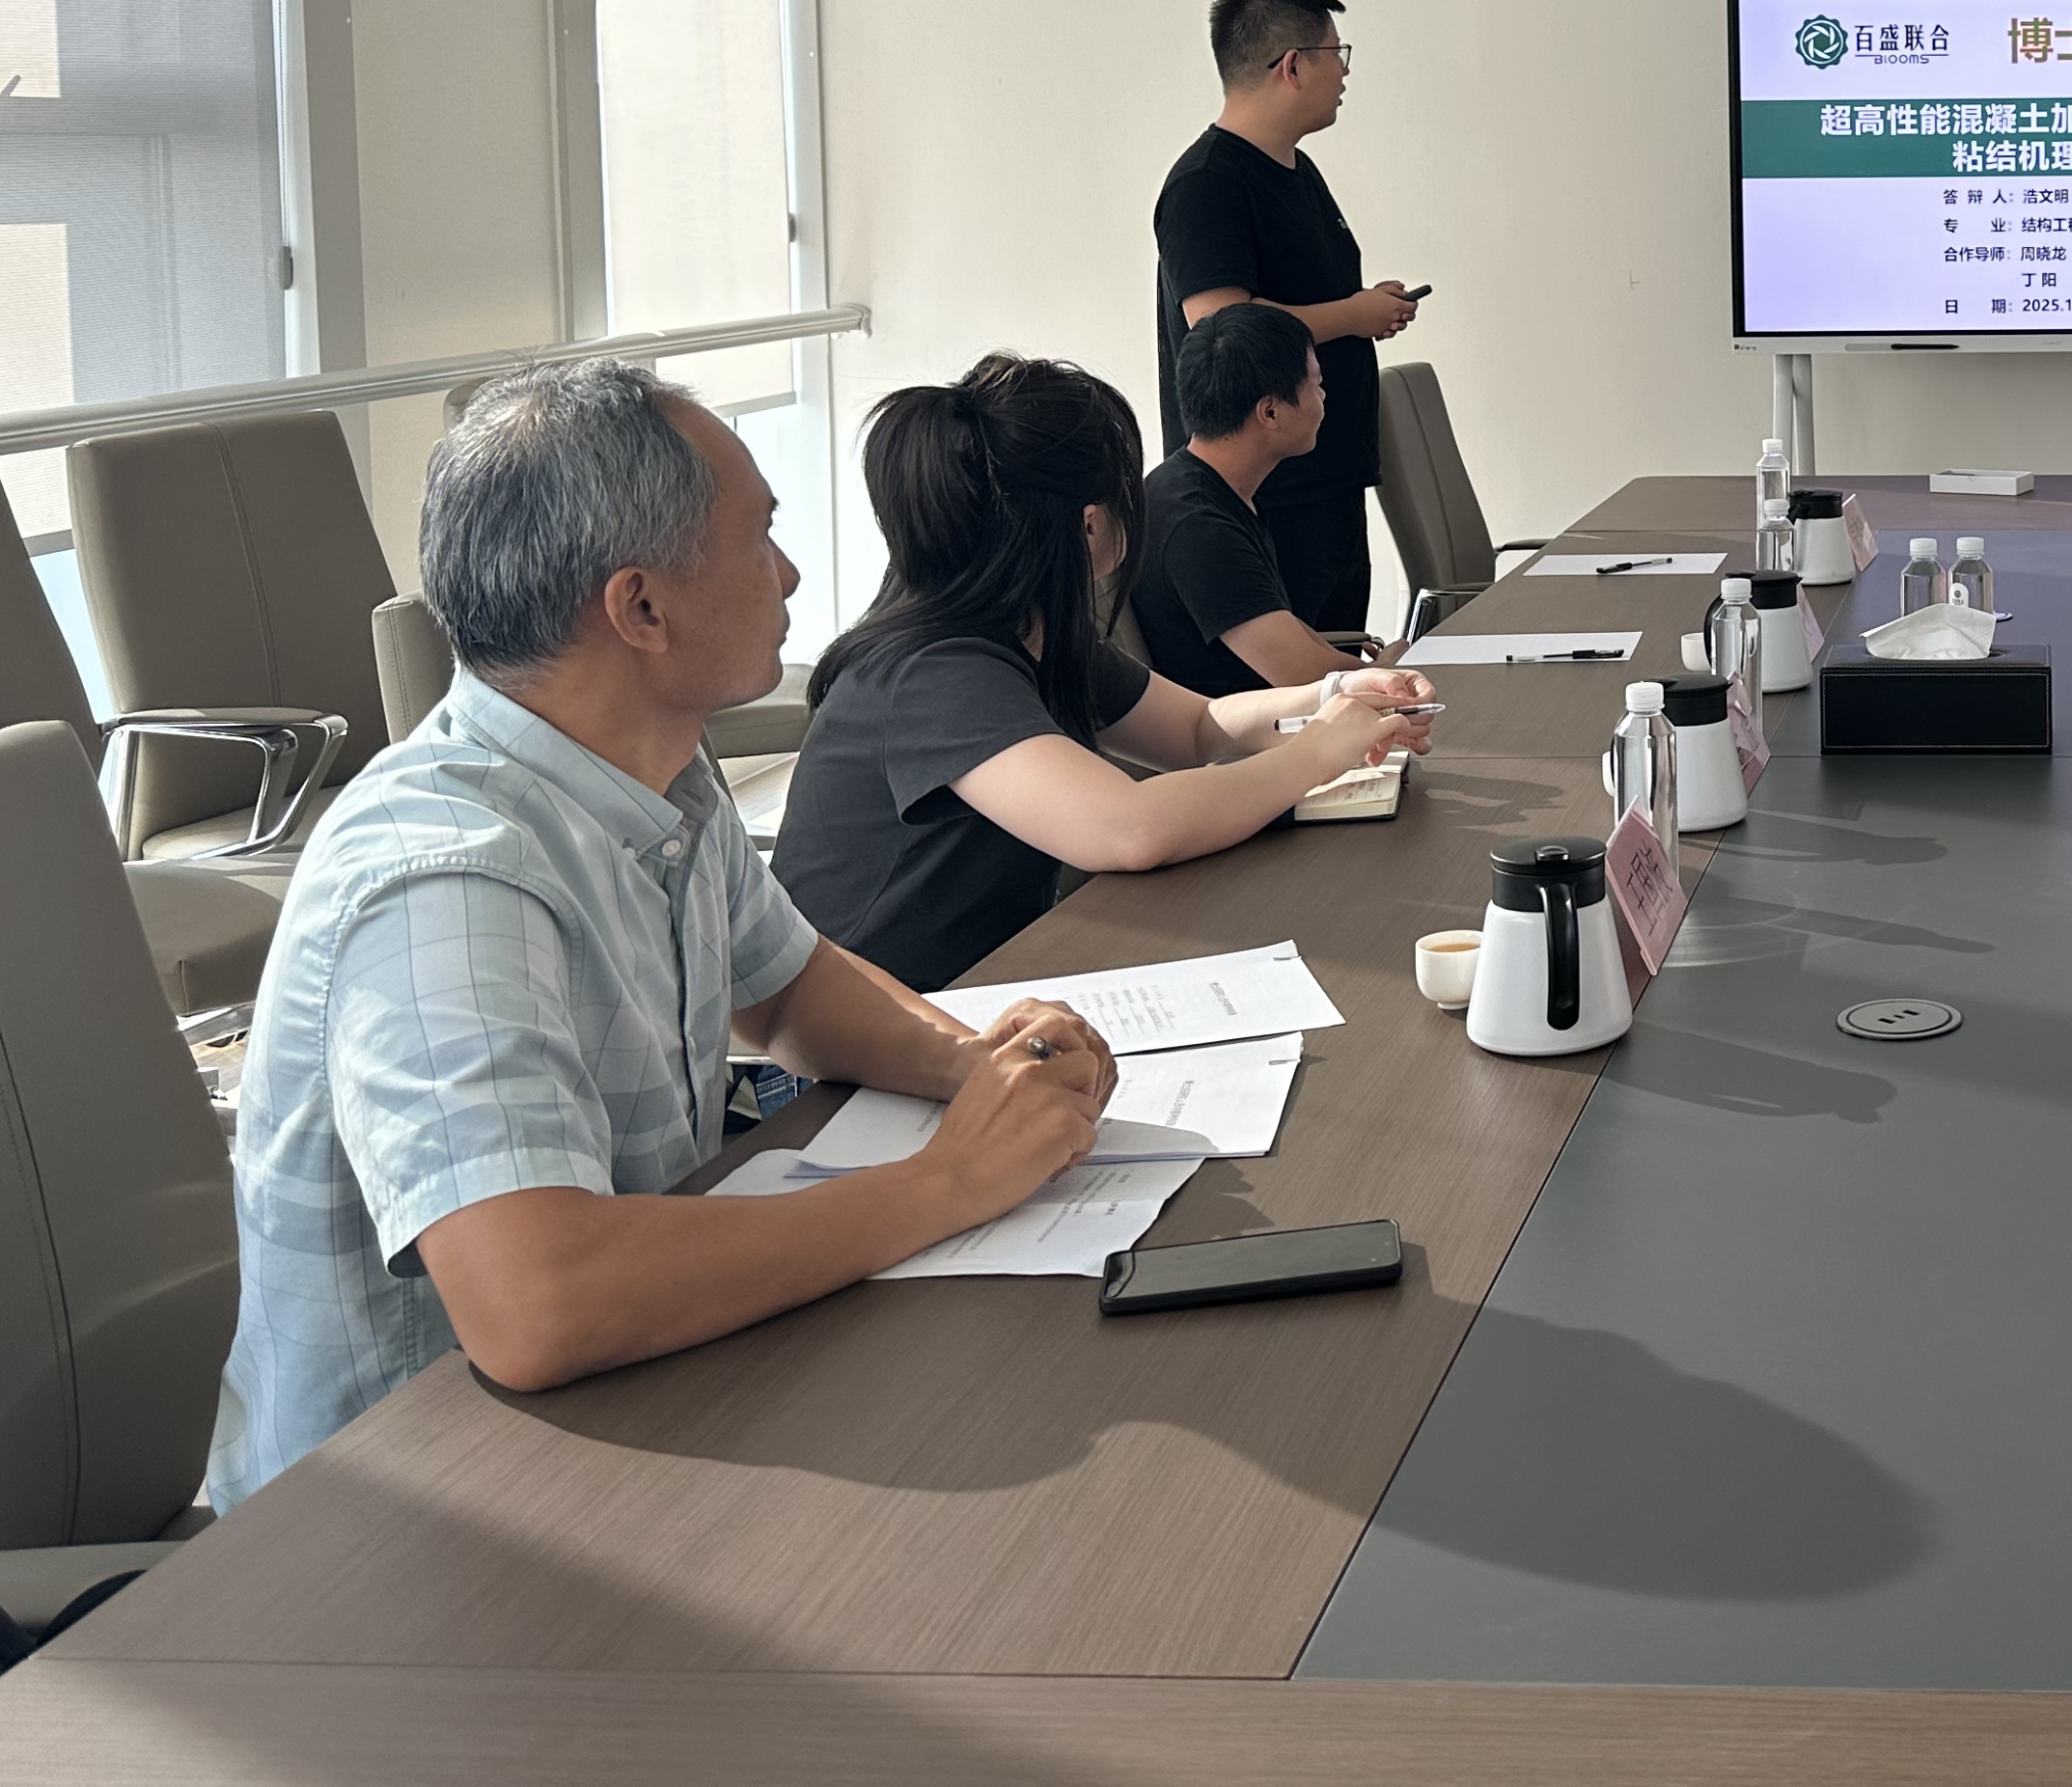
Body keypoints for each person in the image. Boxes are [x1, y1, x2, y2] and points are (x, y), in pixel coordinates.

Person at [212, 361, 1124, 1505]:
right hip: (407, 1507)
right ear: (641, 608)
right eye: (761, 539)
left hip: (632, 1403)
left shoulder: (657, 769)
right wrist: (950, 1180)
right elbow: (538, 1302)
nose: (789, 575)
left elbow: (789, 989)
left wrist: (979, 1064)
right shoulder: (444, 874)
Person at [772, 355, 1430, 992]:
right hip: (877, 1035)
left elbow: (1198, 728)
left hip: (984, 986)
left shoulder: (1025, 629)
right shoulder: (935, 672)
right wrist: (1318, 751)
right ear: (1089, 525)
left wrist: (1333, 695)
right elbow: (1129, 828)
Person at [1152, 0, 1419, 634]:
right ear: (1293, 66)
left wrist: (1363, 304)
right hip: (1269, 493)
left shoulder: (1297, 170)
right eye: (1336, 54)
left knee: (1340, 663)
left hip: (1327, 472)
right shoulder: (1207, 185)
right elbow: (1221, 325)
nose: (1345, 72)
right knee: (1298, 681)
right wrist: (1353, 315)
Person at [1134, 303, 1357, 699]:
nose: (1324, 398)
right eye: (1315, 384)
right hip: (1243, 727)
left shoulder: (1202, 485)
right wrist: (1392, 670)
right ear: (1270, 412)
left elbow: (1282, 626)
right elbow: (1301, 674)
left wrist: (1378, 667)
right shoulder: (1199, 527)